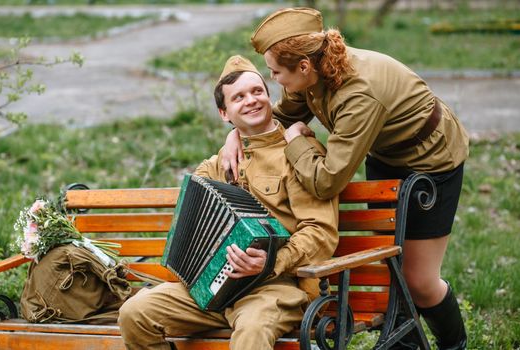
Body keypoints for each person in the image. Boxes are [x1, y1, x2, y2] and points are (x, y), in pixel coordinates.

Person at [221, 7, 469, 350]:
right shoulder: (308, 68)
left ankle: (455, 344)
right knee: (393, 267)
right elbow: (276, 118)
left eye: (276, 72)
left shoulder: (358, 94)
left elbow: (326, 182)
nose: (274, 79)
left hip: (432, 160)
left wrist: (296, 141)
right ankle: (406, 343)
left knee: (419, 279)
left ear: (303, 66)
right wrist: (234, 134)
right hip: (385, 156)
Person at [118, 55, 339, 350]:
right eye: (239, 97)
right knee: (134, 313)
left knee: (252, 332)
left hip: (273, 287)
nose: (251, 100)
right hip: (212, 287)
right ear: (224, 113)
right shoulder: (216, 165)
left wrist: (270, 262)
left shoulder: (300, 153)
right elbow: (193, 211)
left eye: (257, 91)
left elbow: (320, 232)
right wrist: (233, 139)